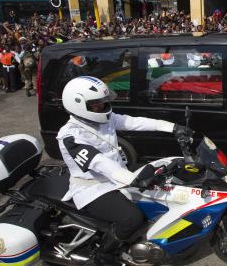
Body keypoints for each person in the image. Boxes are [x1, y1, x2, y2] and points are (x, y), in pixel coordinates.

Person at [57, 76, 189, 266]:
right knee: (131, 219)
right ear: (78, 104)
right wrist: (132, 178)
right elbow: (99, 162)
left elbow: (133, 122)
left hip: (118, 178)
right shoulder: (71, 136)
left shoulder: (103, 118)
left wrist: (172, 127)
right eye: (96, 104)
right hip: (93, 188)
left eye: (104, 102)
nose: (102, 107)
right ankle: (104, 255)